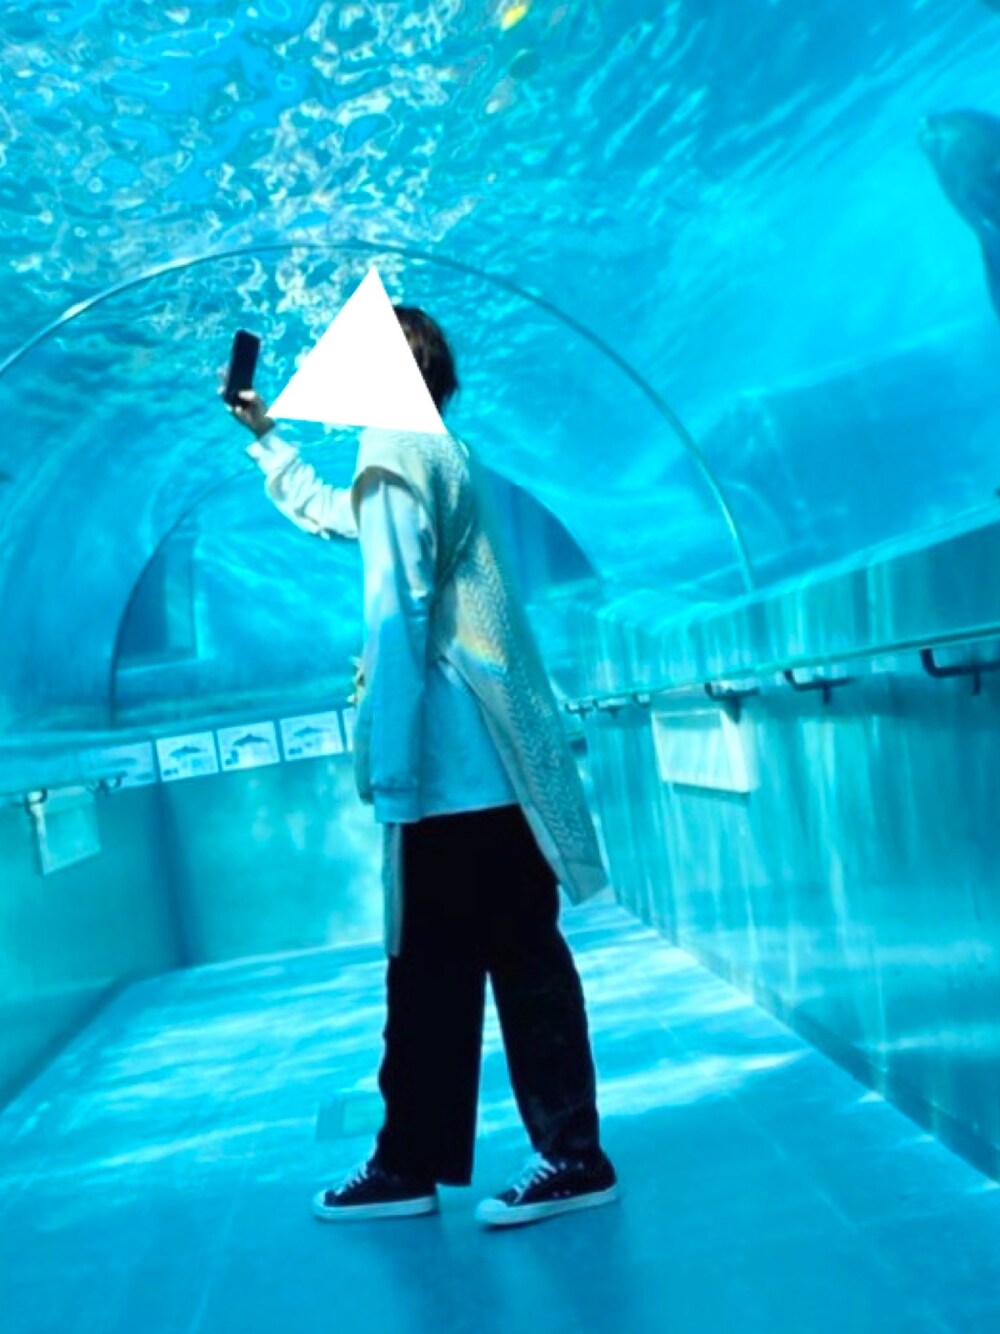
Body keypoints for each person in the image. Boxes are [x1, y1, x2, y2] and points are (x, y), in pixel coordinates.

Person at [226, 304, 618, 1228]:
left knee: (451, 968)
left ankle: (488, 1159)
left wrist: (392, 771)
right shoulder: (433, 447)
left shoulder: (396, 450)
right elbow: (349, 520)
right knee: (485, 960)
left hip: (452, 772)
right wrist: (268, 438)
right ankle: (514, 1154)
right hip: (483, 767)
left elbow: (395, 614)